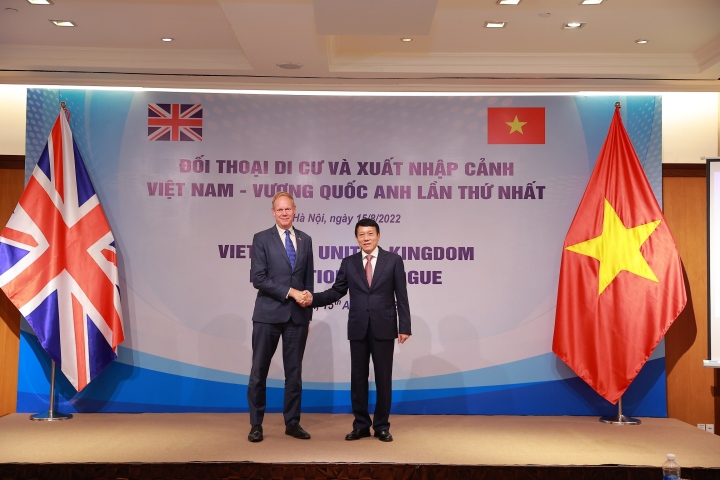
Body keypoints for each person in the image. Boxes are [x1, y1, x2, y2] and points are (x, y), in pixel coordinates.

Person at [311, 218, 411, 442]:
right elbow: (336, 291)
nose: (366, 238)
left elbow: (401, 295)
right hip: (358, 327)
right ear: (356, 238)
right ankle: (361, 425)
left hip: (384, 327)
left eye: (370, 234)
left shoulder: (393, 260)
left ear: (378, 235)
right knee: (358, 378)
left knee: (383, 378)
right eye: (361, 235)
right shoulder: (349, 263)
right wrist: (311, 299)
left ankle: (382, 426)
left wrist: (404, 326)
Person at [247, 192, 314, 443]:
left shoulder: (305, 239)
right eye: (280, 209)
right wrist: (291, 292)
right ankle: (256, 424)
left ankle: (292, 423)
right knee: (259, 371)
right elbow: (258, 278)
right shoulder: (261, 238)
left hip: (297, 318)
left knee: (294, 373)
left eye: (288, 209)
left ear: (295, 210)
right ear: (273, 212)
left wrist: (307, 315)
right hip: (268, 315)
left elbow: (308, 281)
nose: (284, 213)